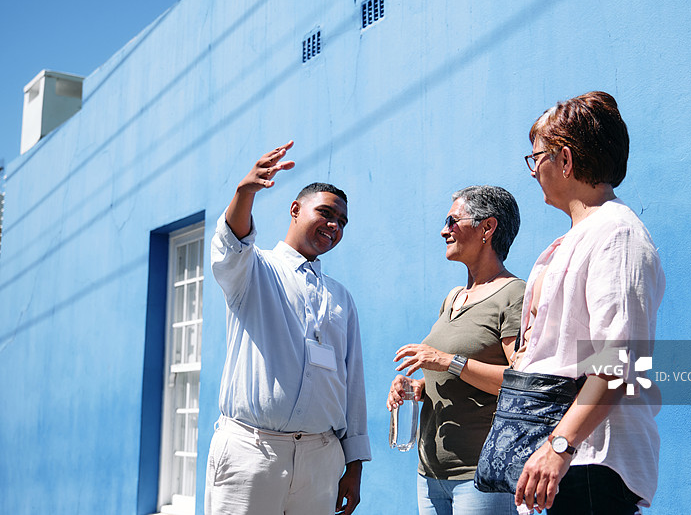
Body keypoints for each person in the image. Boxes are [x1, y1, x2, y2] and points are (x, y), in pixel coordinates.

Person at [512, 92, 665, 514]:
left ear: (564, 160)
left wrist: (559, 447)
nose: (533, 170)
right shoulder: (570, 241)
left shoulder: (617, 234)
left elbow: (616, 360)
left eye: (536, 157)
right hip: (561, 461)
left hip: (590, 461)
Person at [205, 141, 370, 515]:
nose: (334, 226)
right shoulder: (254, 270)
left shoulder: (340, 296)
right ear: (295, 210)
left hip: (321, 458)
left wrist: (354, 464)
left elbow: (352, 382)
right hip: (251, 452)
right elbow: (231, 244)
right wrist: (244, 192)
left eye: (341, 222)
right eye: (326, 213)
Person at [387, 185, 526, 515]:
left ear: (487, 228)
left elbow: (521, 382)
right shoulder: (452, 298)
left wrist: (447, 360)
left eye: (453, 220)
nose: (443, 229)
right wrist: (417, 388)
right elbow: (456, 378)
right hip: (430, 474)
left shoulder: (513, 295)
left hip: (480, 476)